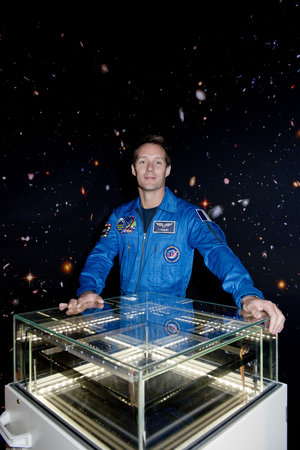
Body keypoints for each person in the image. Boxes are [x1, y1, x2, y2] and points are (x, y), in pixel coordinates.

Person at [59, 135, 285, 334]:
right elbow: (101, 256)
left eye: (157, 162)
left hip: (173, 328)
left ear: (167, 170)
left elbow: (218, 252)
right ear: (133, 169)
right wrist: (88, 291)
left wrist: (248, 295)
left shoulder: (188, 216)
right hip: (127, 326)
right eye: (143, 161)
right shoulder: (120, 217)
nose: (150, 168)